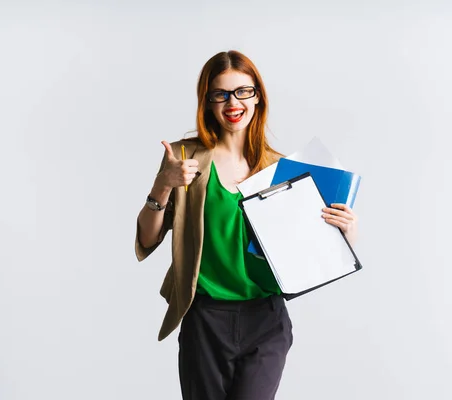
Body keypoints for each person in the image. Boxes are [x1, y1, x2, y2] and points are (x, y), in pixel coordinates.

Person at [135, 50, 359, 400]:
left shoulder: (282, 169)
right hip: (205, 318)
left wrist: (343, 232)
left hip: (265, 319)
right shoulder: (184, 158)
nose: (232, 102)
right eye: (220, 94)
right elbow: (148, 239)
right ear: (207, 101)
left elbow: (310, 250)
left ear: (258, 96)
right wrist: (162, 185)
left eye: (243, 91)